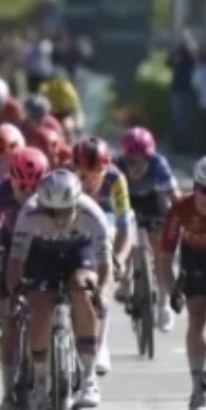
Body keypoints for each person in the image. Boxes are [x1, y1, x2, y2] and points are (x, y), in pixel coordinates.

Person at [6, 170, 112, 410]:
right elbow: (15, 261)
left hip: (79, 253)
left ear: (76, 202)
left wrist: (102, 294)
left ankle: (88, 378)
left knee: (83, 288)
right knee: (38, 306)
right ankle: (41, 379)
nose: (59, 218)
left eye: (65, 211)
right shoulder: (29, 213)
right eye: (51, 212)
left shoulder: (92, 212)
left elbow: (105, 265)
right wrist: (16, 293)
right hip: (42, 256)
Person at [0, 147, 50, 410]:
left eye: (33, 187)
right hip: (12, 247)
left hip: (44, 245)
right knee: (9, 318)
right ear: (11, 180)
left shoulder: (51, 190)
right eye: (21, 185)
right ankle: (8, 396)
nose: (26, 192)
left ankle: (53, 361)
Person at [71, 136, 132, 375]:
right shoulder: (65, 176)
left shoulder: (116, 179)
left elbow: (126, 226)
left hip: (105, 220)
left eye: (96, 175)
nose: (89, 182)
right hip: (75, 217)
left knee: (108, 234)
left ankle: (102, 345)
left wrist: (119, 258)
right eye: (83, 175)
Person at [158, 156, 206, 410]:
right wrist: (172, 292)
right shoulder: (180, 209)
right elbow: (165, 258)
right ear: (195, 187)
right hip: (195, 259)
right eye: (205, 191)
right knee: (198, 317)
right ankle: (198, 389)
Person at [114, 126, 178, 332]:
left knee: (159, 245)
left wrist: (179, 219)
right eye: (132, 161)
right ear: (125, 157)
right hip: (126, 198)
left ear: (151, 157)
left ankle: (163, 302)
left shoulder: (159, 163)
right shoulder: (116, 165)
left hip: (152, 198)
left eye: (144, 159)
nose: (138, 166)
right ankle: (125, 278)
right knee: (125, 232)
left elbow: (174, 197)